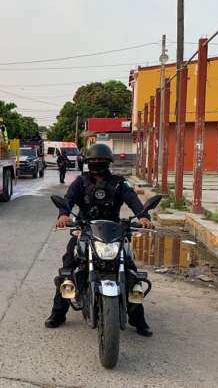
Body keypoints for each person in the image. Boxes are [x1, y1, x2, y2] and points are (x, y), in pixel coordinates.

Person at [45, 143, 155, 337]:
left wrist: (143, 216)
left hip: (113, 231)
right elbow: (69, 199)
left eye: (101, 161)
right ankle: (58, 313)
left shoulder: (119, 183)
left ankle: (138, 320)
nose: (96, 164)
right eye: (93, 161)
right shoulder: (80, 182)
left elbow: (132, 199)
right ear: (87, 163)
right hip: (85, 229)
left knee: (130, 269)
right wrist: (64, 214)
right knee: (69, 265)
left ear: (108, 163)